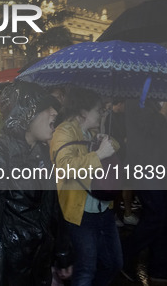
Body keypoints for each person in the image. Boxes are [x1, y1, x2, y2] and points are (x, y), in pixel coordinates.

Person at [0, 81, 71, 285]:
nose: (54, 113)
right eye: (45, 108)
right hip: (12, 265)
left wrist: (62, 255)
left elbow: (52, 208)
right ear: (25, 114)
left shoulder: (41, 153)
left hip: (39, 259)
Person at [50, 87, 122, 286]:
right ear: (83, 112)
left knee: (114, 263)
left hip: (103, 207)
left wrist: (105, 142)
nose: (102, 114)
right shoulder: (64, 131)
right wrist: (98, 155)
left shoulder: (92, 130)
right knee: (85, 270)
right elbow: (63, 167)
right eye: (99, 110)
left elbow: (116, 146)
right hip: (80, 213)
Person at [120, 100, 167, 285]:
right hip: (147, 168)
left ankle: (160, 269)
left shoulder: (149, 97)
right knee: (157, 216)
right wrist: (164, 109)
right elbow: (146, 131)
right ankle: (121, 254)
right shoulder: (139, 96)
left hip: (160, 167)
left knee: (164, 217)